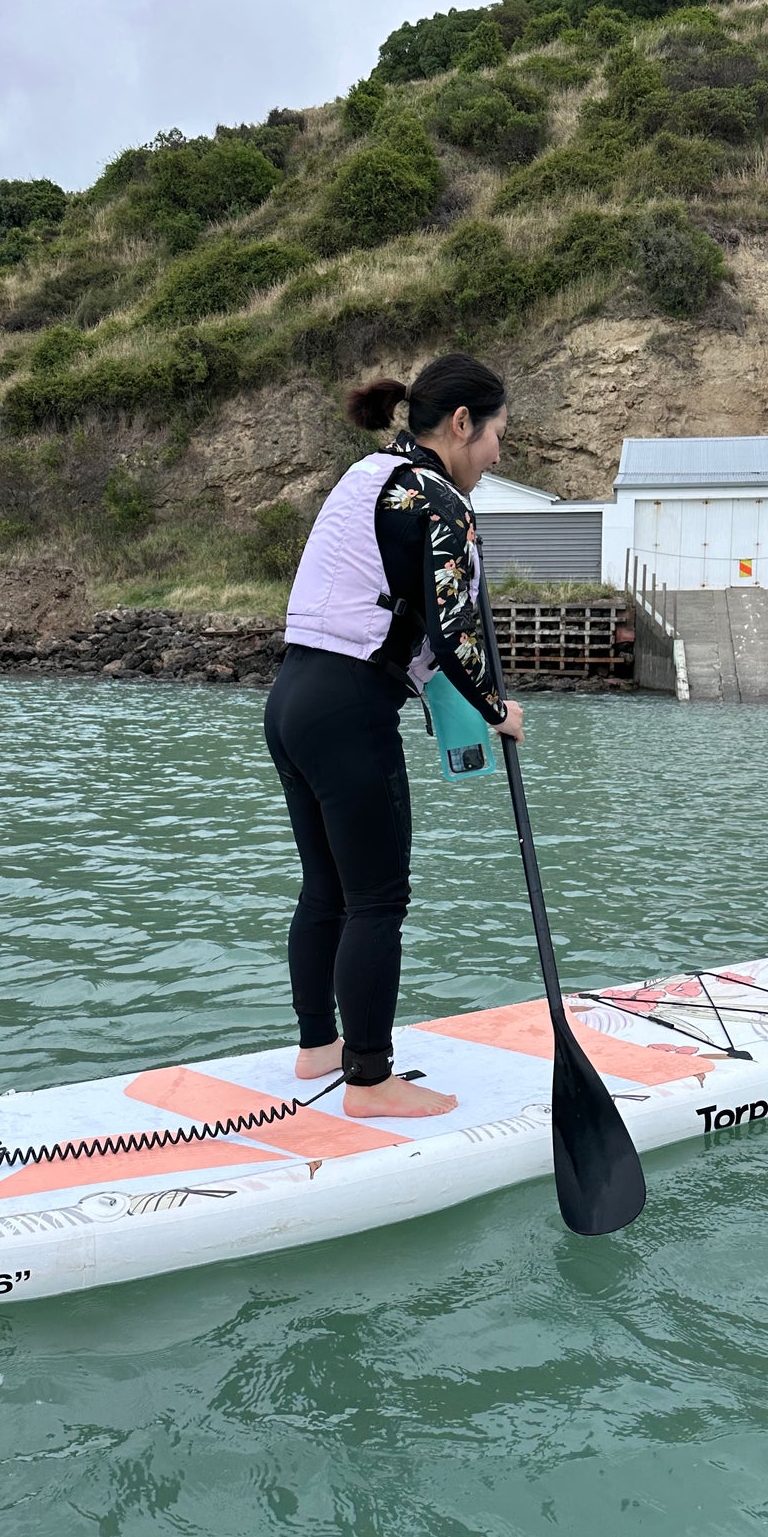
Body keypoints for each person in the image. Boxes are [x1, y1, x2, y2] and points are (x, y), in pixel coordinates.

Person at [263, 354, 524, 1119]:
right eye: (497, 436)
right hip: (348, 708)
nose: (498, 456)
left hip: (290, 698)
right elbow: (453, 632)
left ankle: (318, 1047)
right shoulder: (438, 497)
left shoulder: (367, 474)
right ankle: (369, 1083)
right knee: (378, 899)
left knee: (328, 888)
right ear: (461, 424)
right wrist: (494, 709)